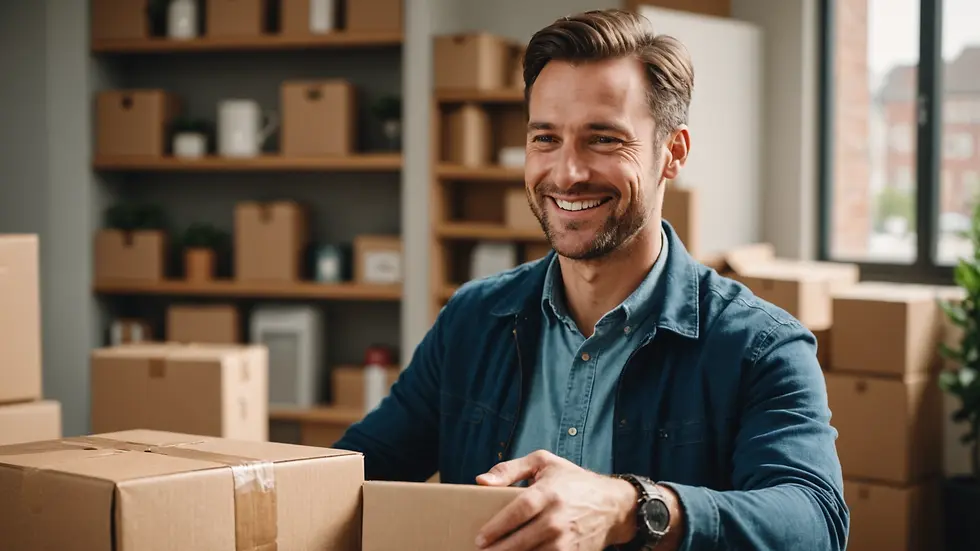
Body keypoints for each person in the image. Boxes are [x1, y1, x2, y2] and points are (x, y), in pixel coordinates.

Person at [334, 8, 848, 551]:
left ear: (672, 153)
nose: (567, 172)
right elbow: (358, 476)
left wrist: (634, 507)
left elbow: (815, 523)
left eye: (603, 139)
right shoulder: (473, 318)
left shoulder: (761, 346)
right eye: (546, 139)